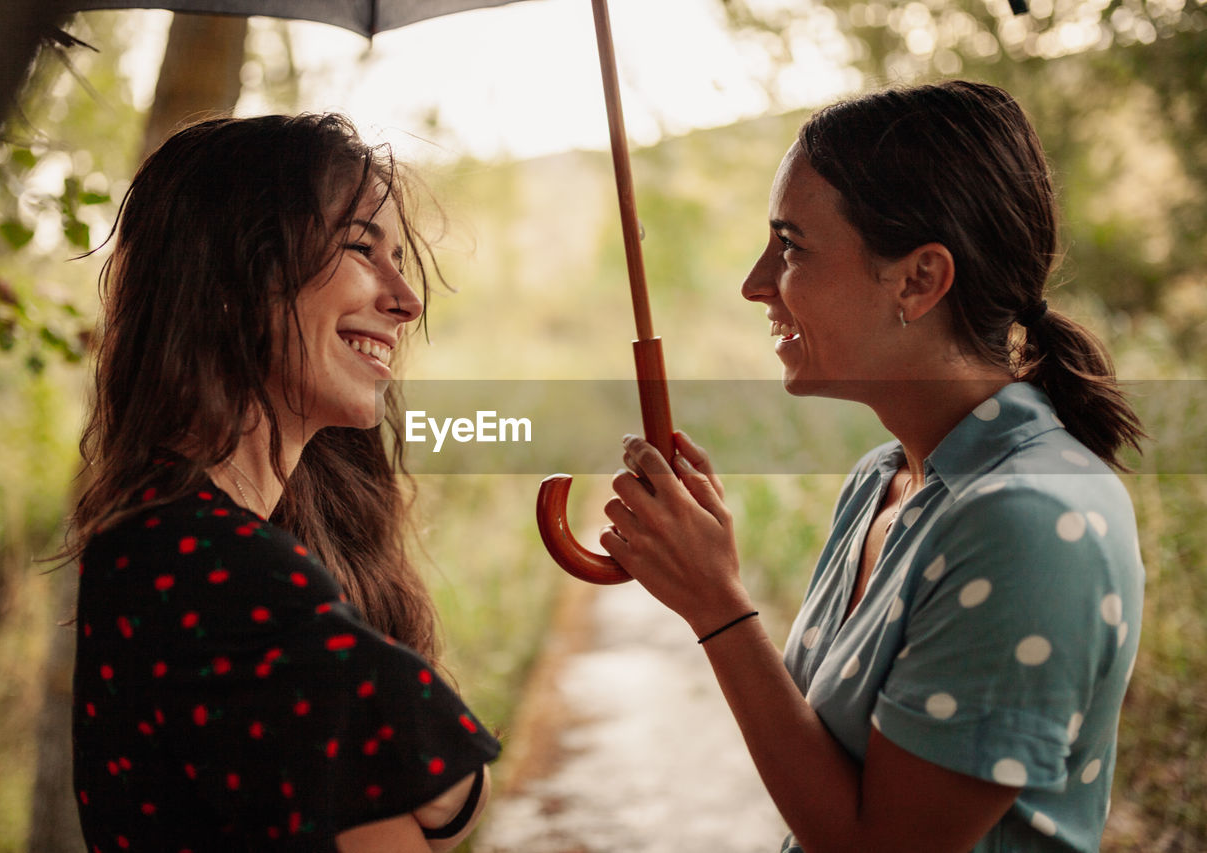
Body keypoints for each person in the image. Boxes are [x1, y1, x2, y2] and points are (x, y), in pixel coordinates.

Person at [601, 81, 1145, 852]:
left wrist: (716, 606)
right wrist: (709, 570)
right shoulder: (879, 481)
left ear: (919, 280)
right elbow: (827, 764)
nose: (756, 283)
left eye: (790, 246)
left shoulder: (1029, 519)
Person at [68, 113, 499, 851]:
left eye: (400, 257)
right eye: (363, 248)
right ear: (234, 273)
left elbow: (435, 788)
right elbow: (443, 781)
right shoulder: (196, 560)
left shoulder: (205, 538)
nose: (406, 298)